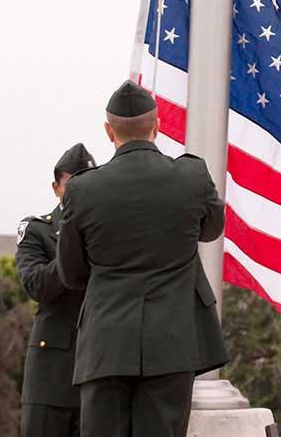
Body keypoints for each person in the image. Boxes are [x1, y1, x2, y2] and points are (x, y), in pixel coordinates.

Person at [57, 80, 229, 437]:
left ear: (109, 131)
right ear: (157, 125)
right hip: (171, 344)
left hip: (105, 347)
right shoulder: (191, 175)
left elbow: (70, 272)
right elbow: (212, 229)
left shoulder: (82, 189)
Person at [16, 143, 96, 437]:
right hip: (51, 376)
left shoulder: (108, 230)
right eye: (72, 184)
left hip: (97, 371)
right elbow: (37, 285)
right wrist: (74, 242)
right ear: (56, 187)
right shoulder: (38, 230)